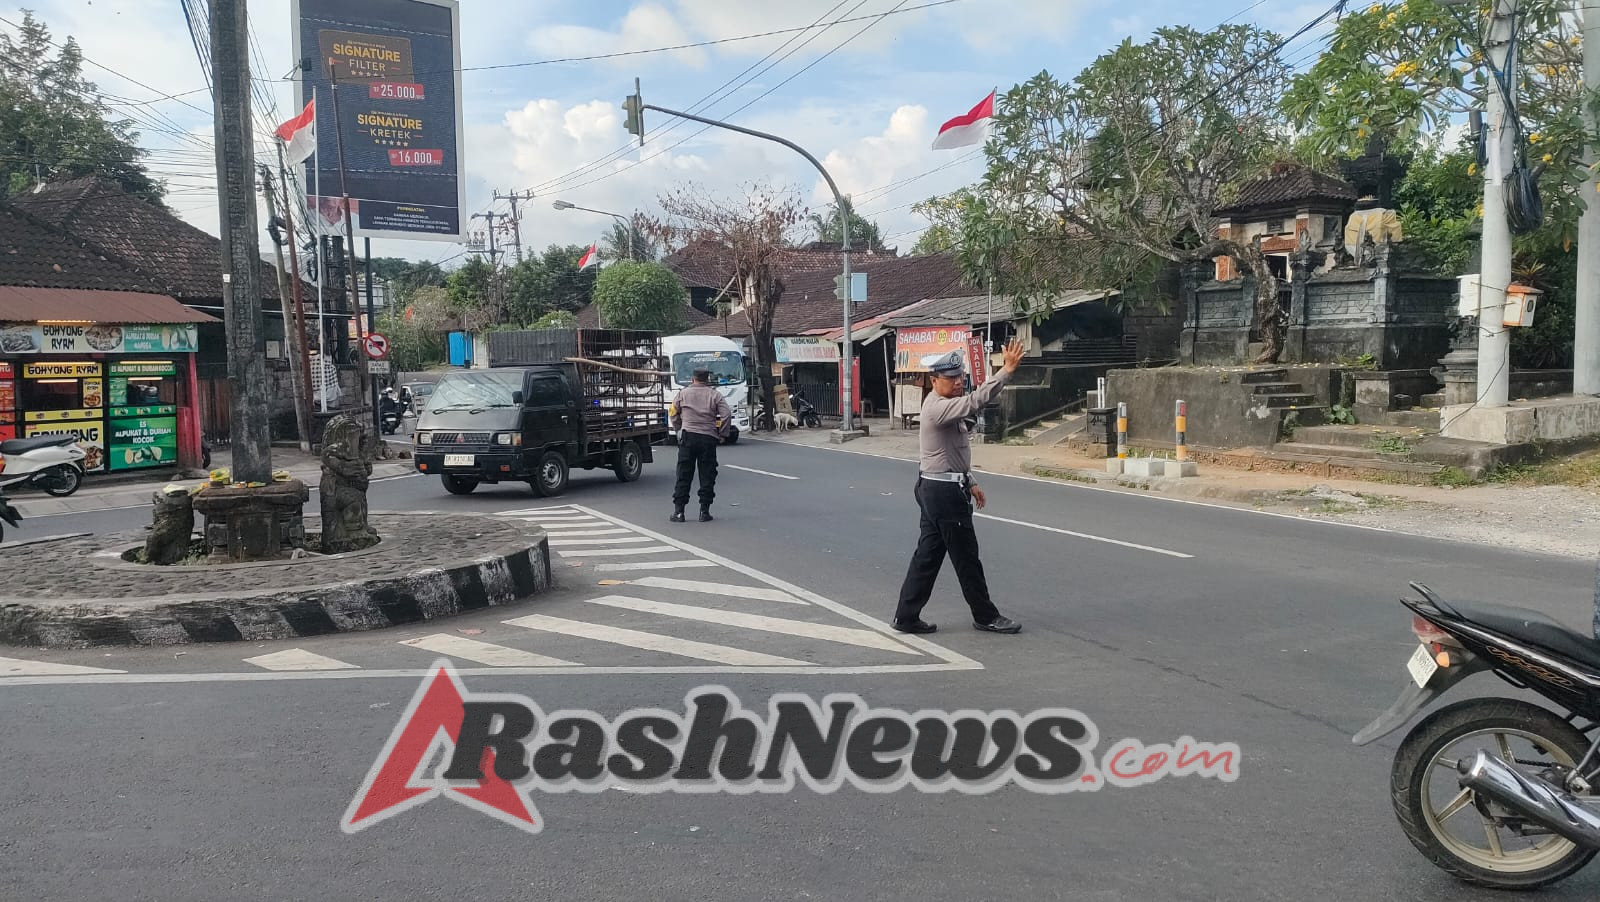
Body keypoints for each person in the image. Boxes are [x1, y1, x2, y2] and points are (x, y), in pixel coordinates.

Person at [893, 339, 1026, 635]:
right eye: (950, 378)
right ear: (934, 380)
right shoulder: (936, 408)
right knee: (966, 556)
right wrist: (1005, 372)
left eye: (959, 377)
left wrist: (972, 482)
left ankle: (906, 616)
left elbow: (953, 455)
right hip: (942, 495)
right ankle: (985, 615)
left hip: (940, 487)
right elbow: (974, 402)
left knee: (927, 555)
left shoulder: (945, 407)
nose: (956, 383)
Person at [670, 368, 732, 523]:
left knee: (684, 474)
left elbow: (672, 412)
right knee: (707, 475)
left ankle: (679, 512)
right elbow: (726, 414)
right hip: (708, 437)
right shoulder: (714, 394)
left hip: (688, 437)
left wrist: (678, 428)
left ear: (693, 379)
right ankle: (704, 511)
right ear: (707, 379)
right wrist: (722, 434)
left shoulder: (683, 393)